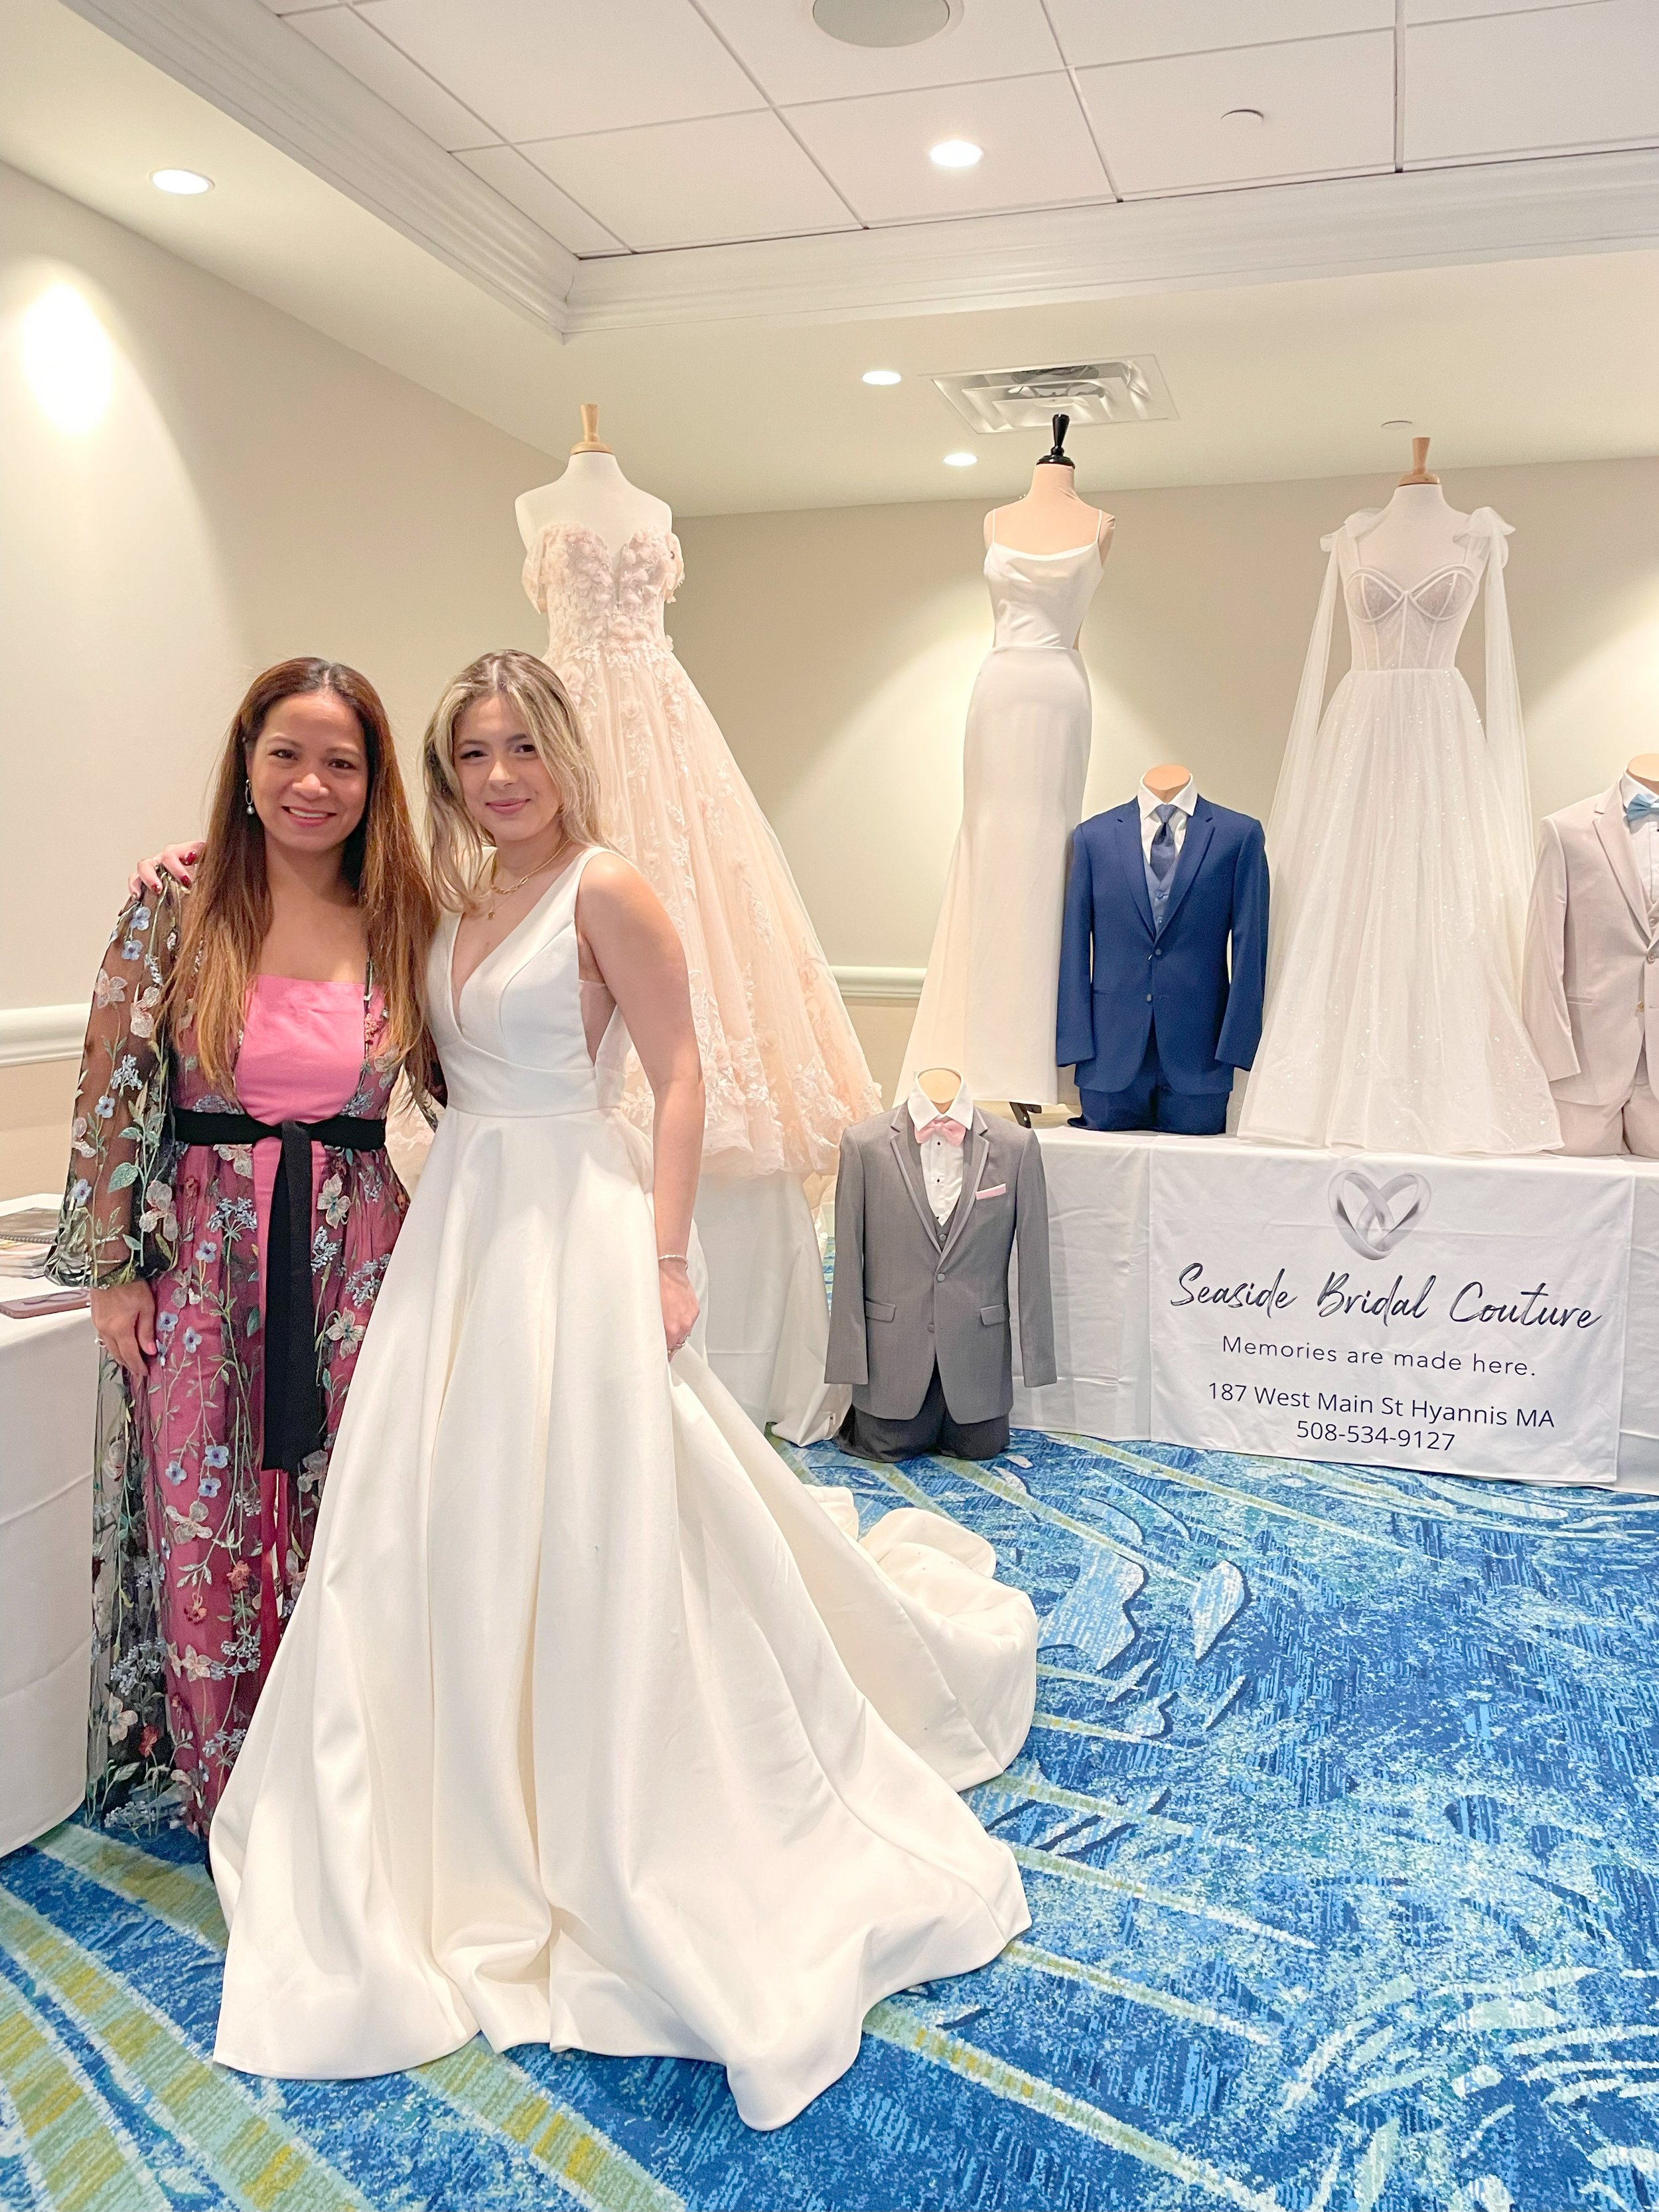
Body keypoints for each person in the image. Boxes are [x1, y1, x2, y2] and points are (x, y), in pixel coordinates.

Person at [204, 650, 1037, 2130]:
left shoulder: (608, 887)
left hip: (575, 1218)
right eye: (471, 753)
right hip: (463, 1222)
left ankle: (616, 1788)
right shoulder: (453, 901)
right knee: (435, 1509)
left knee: (604, 1496)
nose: (499, 773)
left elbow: (680, 1069)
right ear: (448, 775)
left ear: (561, 752)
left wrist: (664, 1253)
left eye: (520, 744)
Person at [54, 659, 435, 1834]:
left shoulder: (405, 917)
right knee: (203, 1514)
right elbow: (112, 1089)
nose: (312, 783)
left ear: (374, 785)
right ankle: (231, 1788)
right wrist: (116, 1273)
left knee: (350, 1506)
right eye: (288, 753)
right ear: (246, 761)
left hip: (360, 1247)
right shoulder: (176, 902)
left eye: (342, 761)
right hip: (203, 1246)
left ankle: (346, 1776)